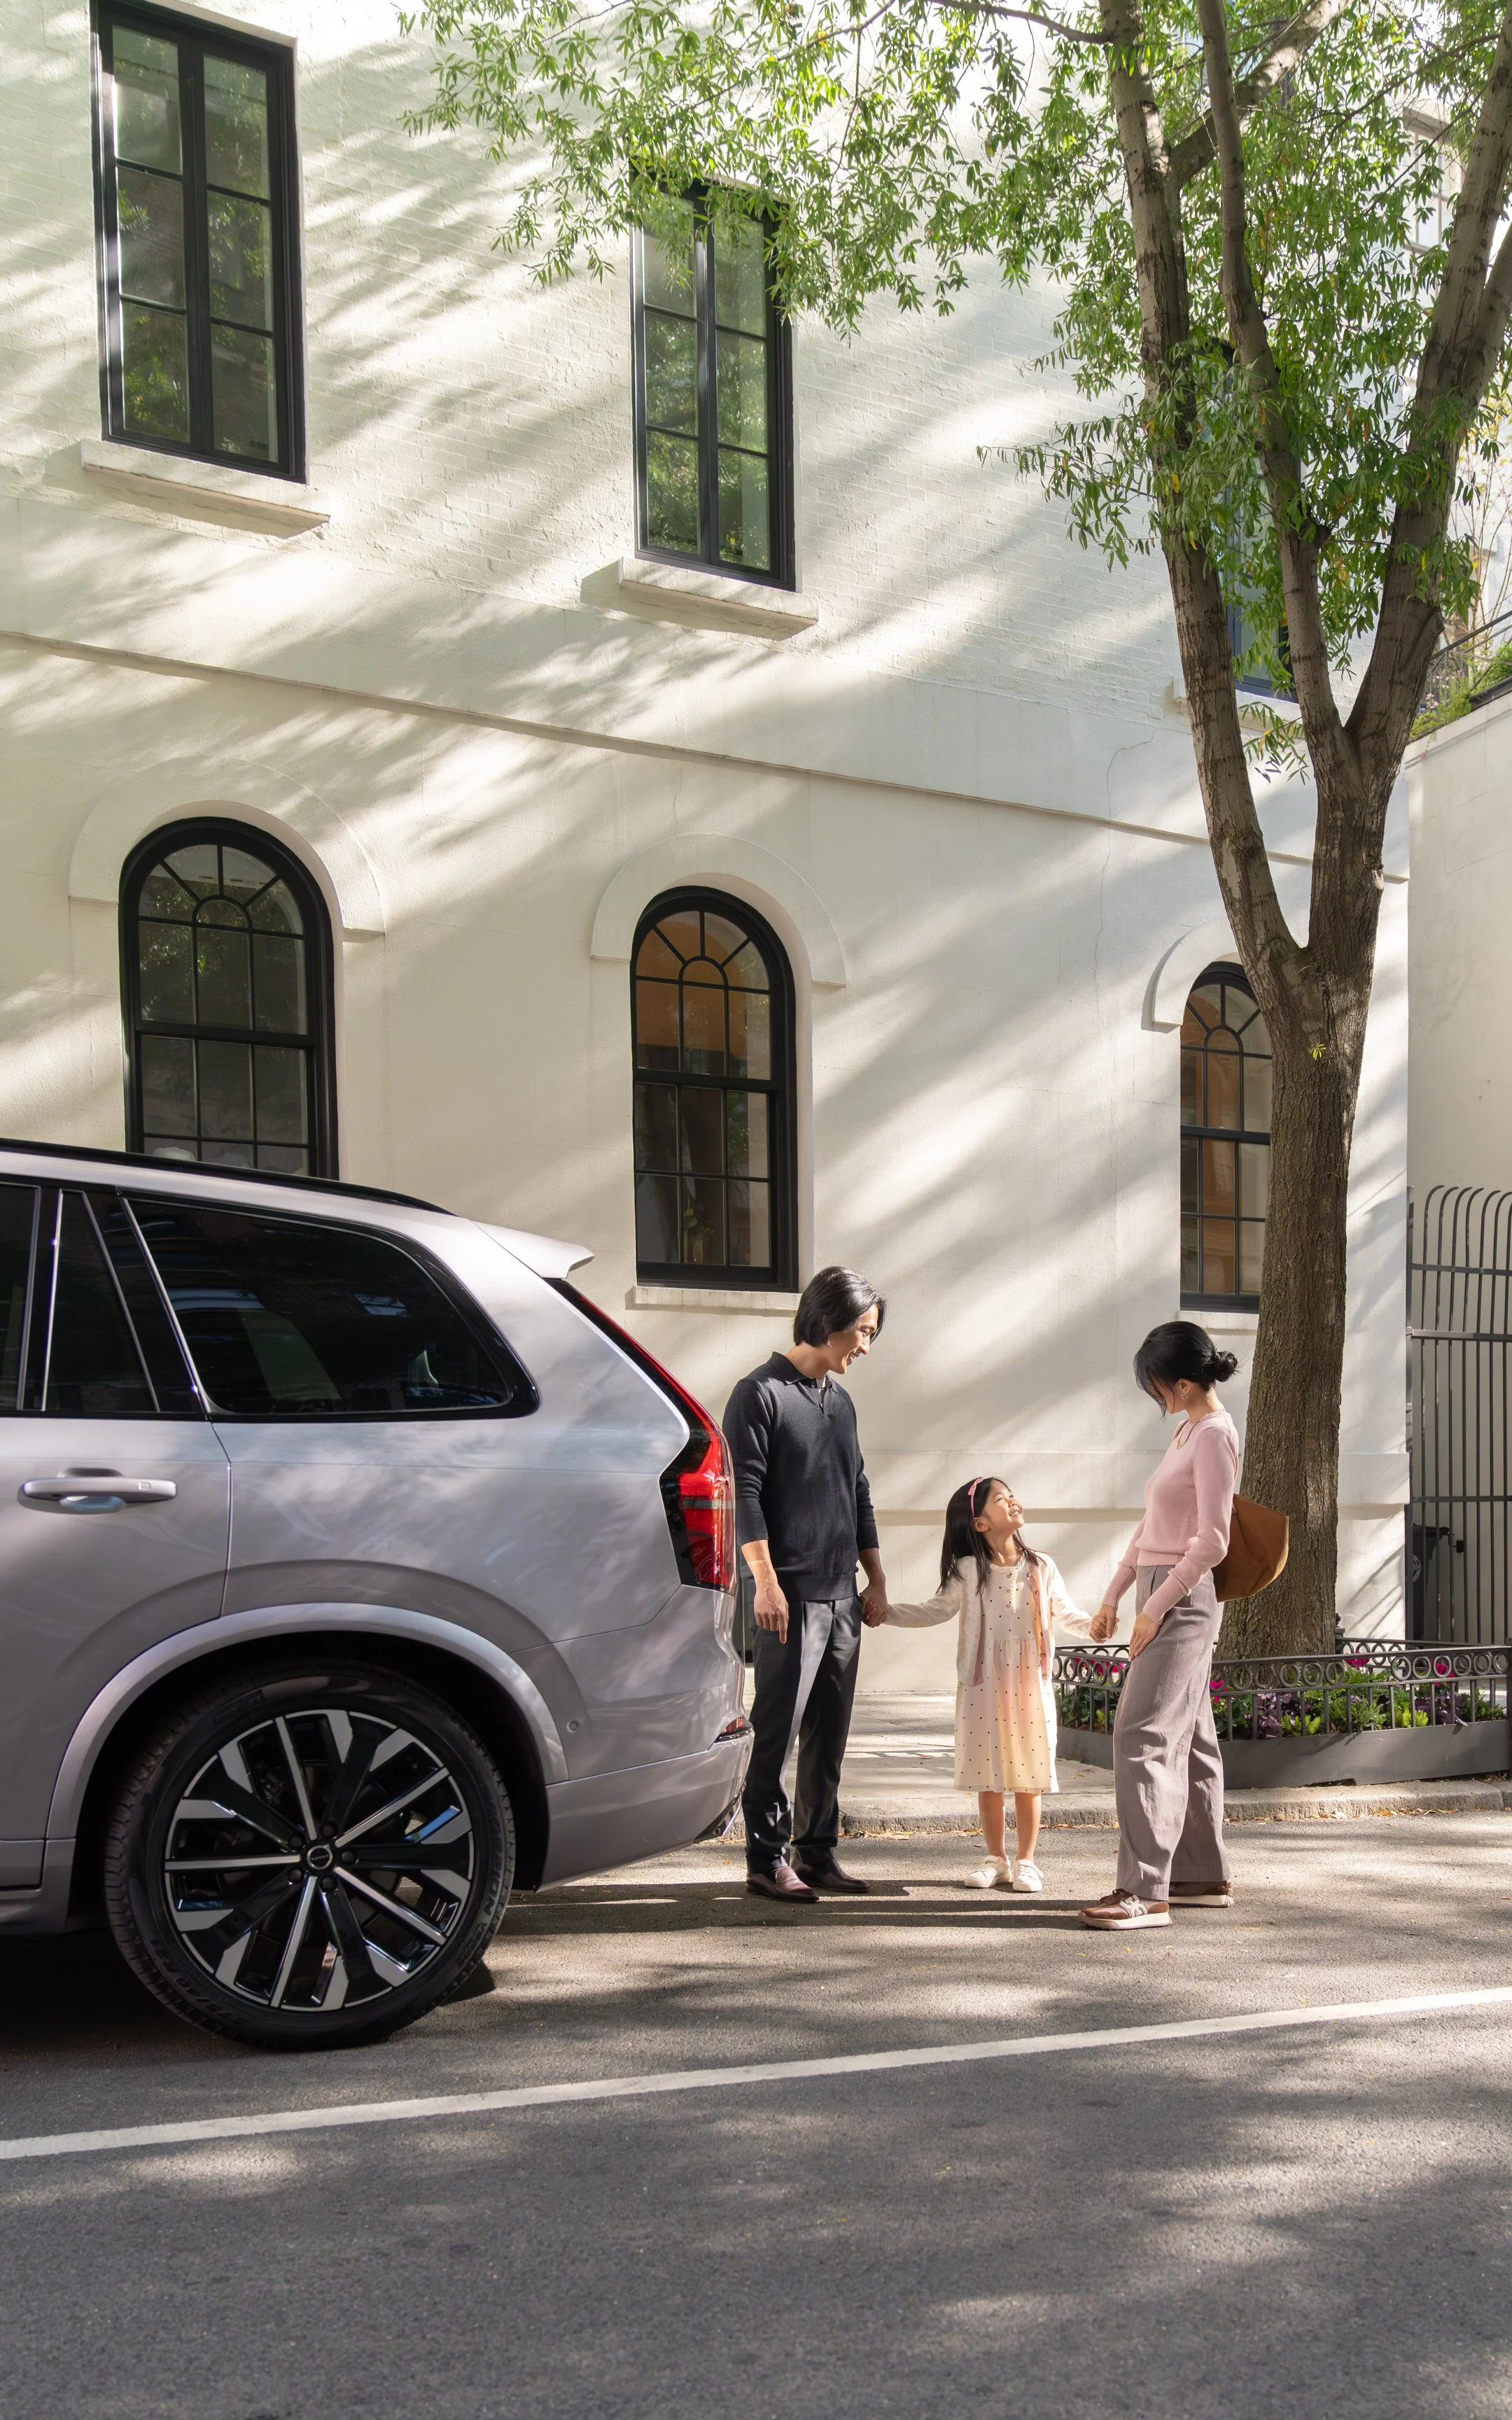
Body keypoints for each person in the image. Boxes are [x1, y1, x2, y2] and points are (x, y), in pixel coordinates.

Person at [724, 1266, 888, 1902]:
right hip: (786, 1599)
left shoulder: (840, 1402)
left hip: (842, 1595)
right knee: (777, 1732)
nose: (865, 1348)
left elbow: (859, 1491)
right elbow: (745, 1494)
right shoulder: (759, 1394)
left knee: (829, 1733)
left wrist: (875, 1578)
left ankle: (817, 1853)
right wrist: (764, 1583)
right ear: (827, 1323)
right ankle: (766, 1860)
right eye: (862, 1333)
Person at [1079, 1320, 1240, 1932]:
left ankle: (1145, 1890)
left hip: (1183, 1596)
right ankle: (1201, 1873)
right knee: (1192, 1736)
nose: (1155, 1398)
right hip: (1160, 1587)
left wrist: (1154, 1607)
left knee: (1140, 1733)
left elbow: (1214, 1542)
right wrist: (1114, 1595)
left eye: (1156, 1386)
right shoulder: (1187, 1431)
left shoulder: (1214, 1435)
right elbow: (1152, 1527)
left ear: (1179, 1381)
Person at [870, 1477, 1094, 1890]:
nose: (1012, 1501)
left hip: (1029, 1681)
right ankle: (996, 1858)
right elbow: (933, 1610)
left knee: (1029, 1772)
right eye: (1000, 1499)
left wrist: (1097, 1626)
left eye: (1011, 1495)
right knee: (988, 1773)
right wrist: (886, 1613)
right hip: (983, 1682)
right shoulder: (969, 1569)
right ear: (979, 1523)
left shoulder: (1041, 1566)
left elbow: (1065, 1612)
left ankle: (1027, 1861)